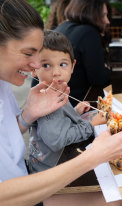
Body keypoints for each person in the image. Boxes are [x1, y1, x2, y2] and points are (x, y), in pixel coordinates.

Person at [0, 0, 122, 206]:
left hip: (26, 177)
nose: (35, 66)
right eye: (28, 53)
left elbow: (5, 137)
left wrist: (27, 117)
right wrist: (93, 156)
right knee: (112, 198)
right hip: (24, 193)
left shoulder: (4, 84)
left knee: (114, 195)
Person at [28, 30, 106, 174]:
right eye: (46, 65)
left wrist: (75, 111)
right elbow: (57, 141)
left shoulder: (56, 90)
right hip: (49, 171)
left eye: (62, 64)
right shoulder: (45, 103)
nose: (56, 72)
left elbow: (59, 122)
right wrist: (91, 125)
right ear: (33, 69)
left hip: (57, 160)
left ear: (72, 66)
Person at [55, 0, 111, 106]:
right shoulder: (89, 33)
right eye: (103, 16)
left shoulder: (62, 27)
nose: (107, 21)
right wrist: (107, 69)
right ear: (92, 14)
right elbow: (98, 79)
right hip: (75, 105)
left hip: (54, 101)